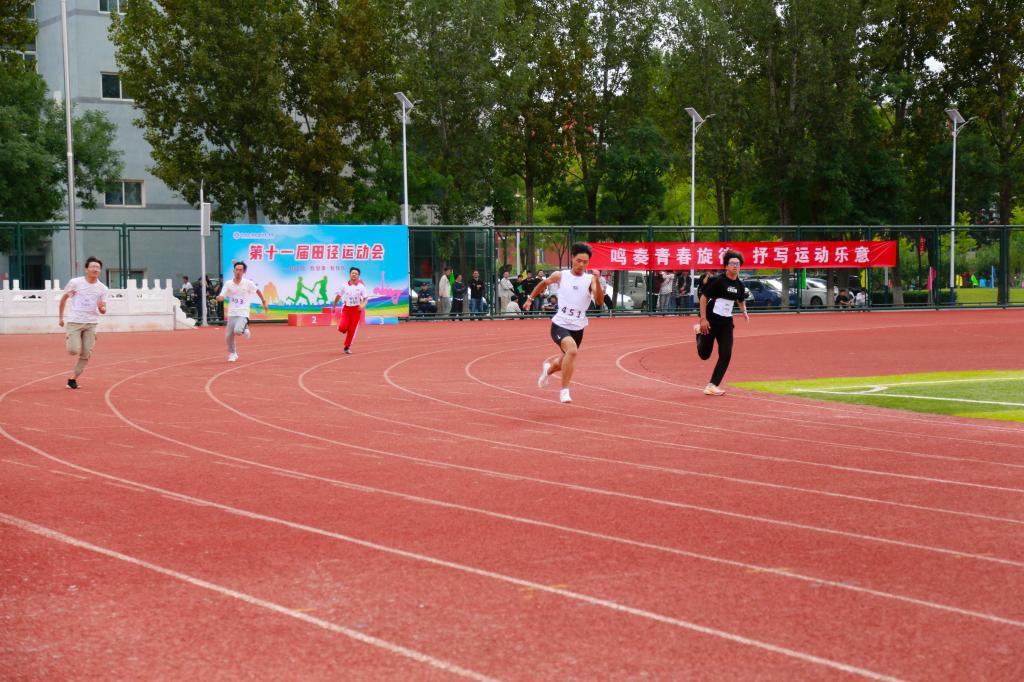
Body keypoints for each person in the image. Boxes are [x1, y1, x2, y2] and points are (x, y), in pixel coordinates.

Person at [529, 242, 604, 404]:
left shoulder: (590, 279)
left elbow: (599, 301)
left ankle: (548, 371)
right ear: (572, 259)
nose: (581, 265)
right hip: (560, 324)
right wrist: (530, 299)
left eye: (585, 262)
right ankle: (564, 391)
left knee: (563, 361)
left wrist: (598, 282)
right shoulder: (561, 275)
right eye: (578, 261)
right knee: (572, 351)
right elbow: (543, 283)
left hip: (578, 327)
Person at [694, 251, 748, 396]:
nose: (735, 266)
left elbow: (741, 300)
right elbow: (704, 298)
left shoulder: (740, 285)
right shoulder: (718, 281)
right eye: (732, 263)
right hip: (711, 321)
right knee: (704, 355)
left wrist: (744, 311)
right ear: (726, 266)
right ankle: (698, 332)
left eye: (738, 263)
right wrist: (703, 319)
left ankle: (712, 385)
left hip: (726, 324)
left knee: (726, 354)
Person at [58, 256, 109, 389]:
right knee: (73, 350)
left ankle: (72, 379)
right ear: (86, 269)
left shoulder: (102, 288)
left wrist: (101, 308)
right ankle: (70, 337)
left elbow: (103, 309)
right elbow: (63, 299)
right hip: (75, 321)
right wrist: (61, 317)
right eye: (92, 267)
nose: (95, 269)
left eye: (98, 267)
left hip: (91, 323)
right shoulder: (75, 283)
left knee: (86, 354)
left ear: (100, 270)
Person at [217, 261, 268, 362]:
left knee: (237, 331)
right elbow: (222, 295)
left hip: (243, 313)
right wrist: (220, 298)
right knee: (228, 336)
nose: (238, 272)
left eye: (240, 270)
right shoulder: (228, 283)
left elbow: (257, 290)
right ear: (233, 271)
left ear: (244, 271)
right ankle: (233, 353)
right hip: (232, 313)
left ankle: (244, 329)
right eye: (237, 270)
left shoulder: (248, 283)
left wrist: (264, 302)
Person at [331, 266, 368, 354]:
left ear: (358, 276)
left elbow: (365, 299)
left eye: (356, 274)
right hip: (347, 309)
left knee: (352, 330)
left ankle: (347, 347)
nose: (354, 275)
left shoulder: (361, 287)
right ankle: (343, 328)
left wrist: (362, 305)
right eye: (352, 273)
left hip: (356, 310)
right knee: (342, 327)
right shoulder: (344, 286)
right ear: (350, 274)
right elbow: (338, 296)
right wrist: (334, 306)